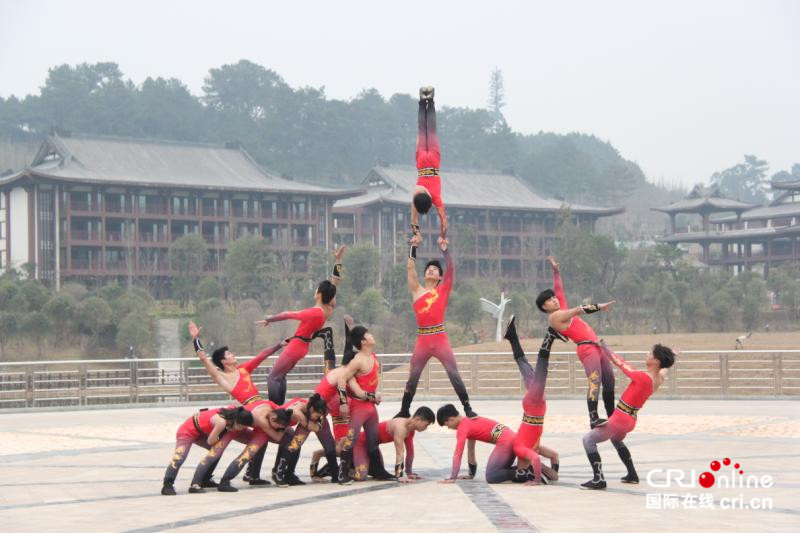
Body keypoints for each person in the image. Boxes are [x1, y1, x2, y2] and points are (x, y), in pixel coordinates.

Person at [190, 323, 286, 485]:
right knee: (269, 436)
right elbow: (204, 359)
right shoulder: (221, 376)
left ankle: (252, 475)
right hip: (251, 410)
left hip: (262, 405)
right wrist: (196, 339)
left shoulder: (243, 369)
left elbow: (260, 356)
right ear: (223, 361)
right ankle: (247, 475)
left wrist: (279, 345)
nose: (233, 355)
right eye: (229, 354)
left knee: (261, 439)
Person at [396, 236, 476, 419]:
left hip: (440, 338)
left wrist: (445, 250)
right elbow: (410, 268)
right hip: (423, 340)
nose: (431, 270)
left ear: (439, 277)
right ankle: (404, 409)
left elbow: (452, 269)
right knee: (413, 377)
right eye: (429, 269)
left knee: (453, 373)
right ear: (424, 275)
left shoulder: (443, 290)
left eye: (435, 270)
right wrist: (414, 247)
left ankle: (467, 408)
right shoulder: (416, 290)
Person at [580, 341, 676, 490]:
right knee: (616, 439)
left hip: (621, 418)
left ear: (656, 361)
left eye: (650, 353)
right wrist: (673, 354)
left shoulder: (643, 378)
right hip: (630, 419)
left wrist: (603, 347)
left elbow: (620, 363)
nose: (647, 355)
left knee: (588, 440)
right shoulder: (658, 379)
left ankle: (598, 479)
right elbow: (664, 370)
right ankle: (632, 474)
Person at [258, 246, 346, 404]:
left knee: (273, 377)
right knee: (281, 376)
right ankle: (280, 407)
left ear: (319, 294)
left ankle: (275, 409)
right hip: (303, 347)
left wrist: (269, 319)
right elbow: (335, 283)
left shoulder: (314, 312)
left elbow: (287, 314)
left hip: (296, 345)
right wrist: (338, 260)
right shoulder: (329, 308)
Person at [535, 256, 615, 428]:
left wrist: (556, 272)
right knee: (595, 380)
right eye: (548, 300)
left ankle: (612, 416)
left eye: (552, 298)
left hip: (597, 346)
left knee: (609, 380)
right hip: (586, 348)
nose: (554, 300)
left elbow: (559, 290)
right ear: (544, 308)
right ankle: (593, 417)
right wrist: (600, 306)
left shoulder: (561, 307)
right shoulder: (555, 317)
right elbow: (579, 309)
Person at [503, 317, 561, 485]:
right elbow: (554, 456)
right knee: (524, 364)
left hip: (534, 404)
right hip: (534, 406)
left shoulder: (521, 451)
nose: (525, 467)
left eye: (522, 469)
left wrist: (536, 479)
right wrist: (551, 473)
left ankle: (549, 337)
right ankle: (512, 337)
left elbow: (534, 458)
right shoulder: (532, 449)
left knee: (542, 371)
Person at [338, 326, 395, 484]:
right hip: (359, 407)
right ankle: (342, 473)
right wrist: (343, 403)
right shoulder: (358, 360)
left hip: (370, 407)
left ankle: (378, 470)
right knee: (352, 438)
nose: (372, 335)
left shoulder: (373, 356)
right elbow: (342, 379)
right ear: (363, 341)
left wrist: (374, 396)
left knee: (373, 439)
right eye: (368, 334)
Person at [161, 406, 254, 495]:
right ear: (238, 422)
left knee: (217, 452)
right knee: (179, 456)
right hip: (187, 431)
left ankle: (205, 479)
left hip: (202, 432)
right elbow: (210, 441)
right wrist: (222, 437)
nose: (242, 430)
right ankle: (167, 485)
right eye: (242, 427)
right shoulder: (221, 422)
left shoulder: (232, 415)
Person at [437, 404, 517, 484]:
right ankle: (524, 470)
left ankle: (524, 473)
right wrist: (471, 474)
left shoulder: (462, 428)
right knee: (499, 471)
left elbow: (458, 454)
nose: (448, 428)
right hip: (512, 437)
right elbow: (471, 451)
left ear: (451, 419)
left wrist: (453, 477)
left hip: (506, 442)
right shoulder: (469, 419)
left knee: (491, 476)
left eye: (447, 425)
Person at [353, 407, 434, 482]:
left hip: (372, 447)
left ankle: (358, 463)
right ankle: (349, 466)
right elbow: (400, 453)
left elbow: (410, 453)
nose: (425, 428)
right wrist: (399, 476)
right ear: (418, 419)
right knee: (361, 476)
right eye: (426, 425)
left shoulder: (411, 430)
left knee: (378, 474)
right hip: (360, 442)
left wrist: (409, 473)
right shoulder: (400, 427)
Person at [411, 86, 447, 242]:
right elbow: (413, 221)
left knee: (431, 130)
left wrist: (442, 236)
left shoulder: (437, 198)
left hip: (433, 163)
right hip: (421, 164)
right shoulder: (416, 194)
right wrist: (416, 232)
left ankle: (430, 102)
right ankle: (422, 102)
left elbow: (444, 222)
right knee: (422, 130)